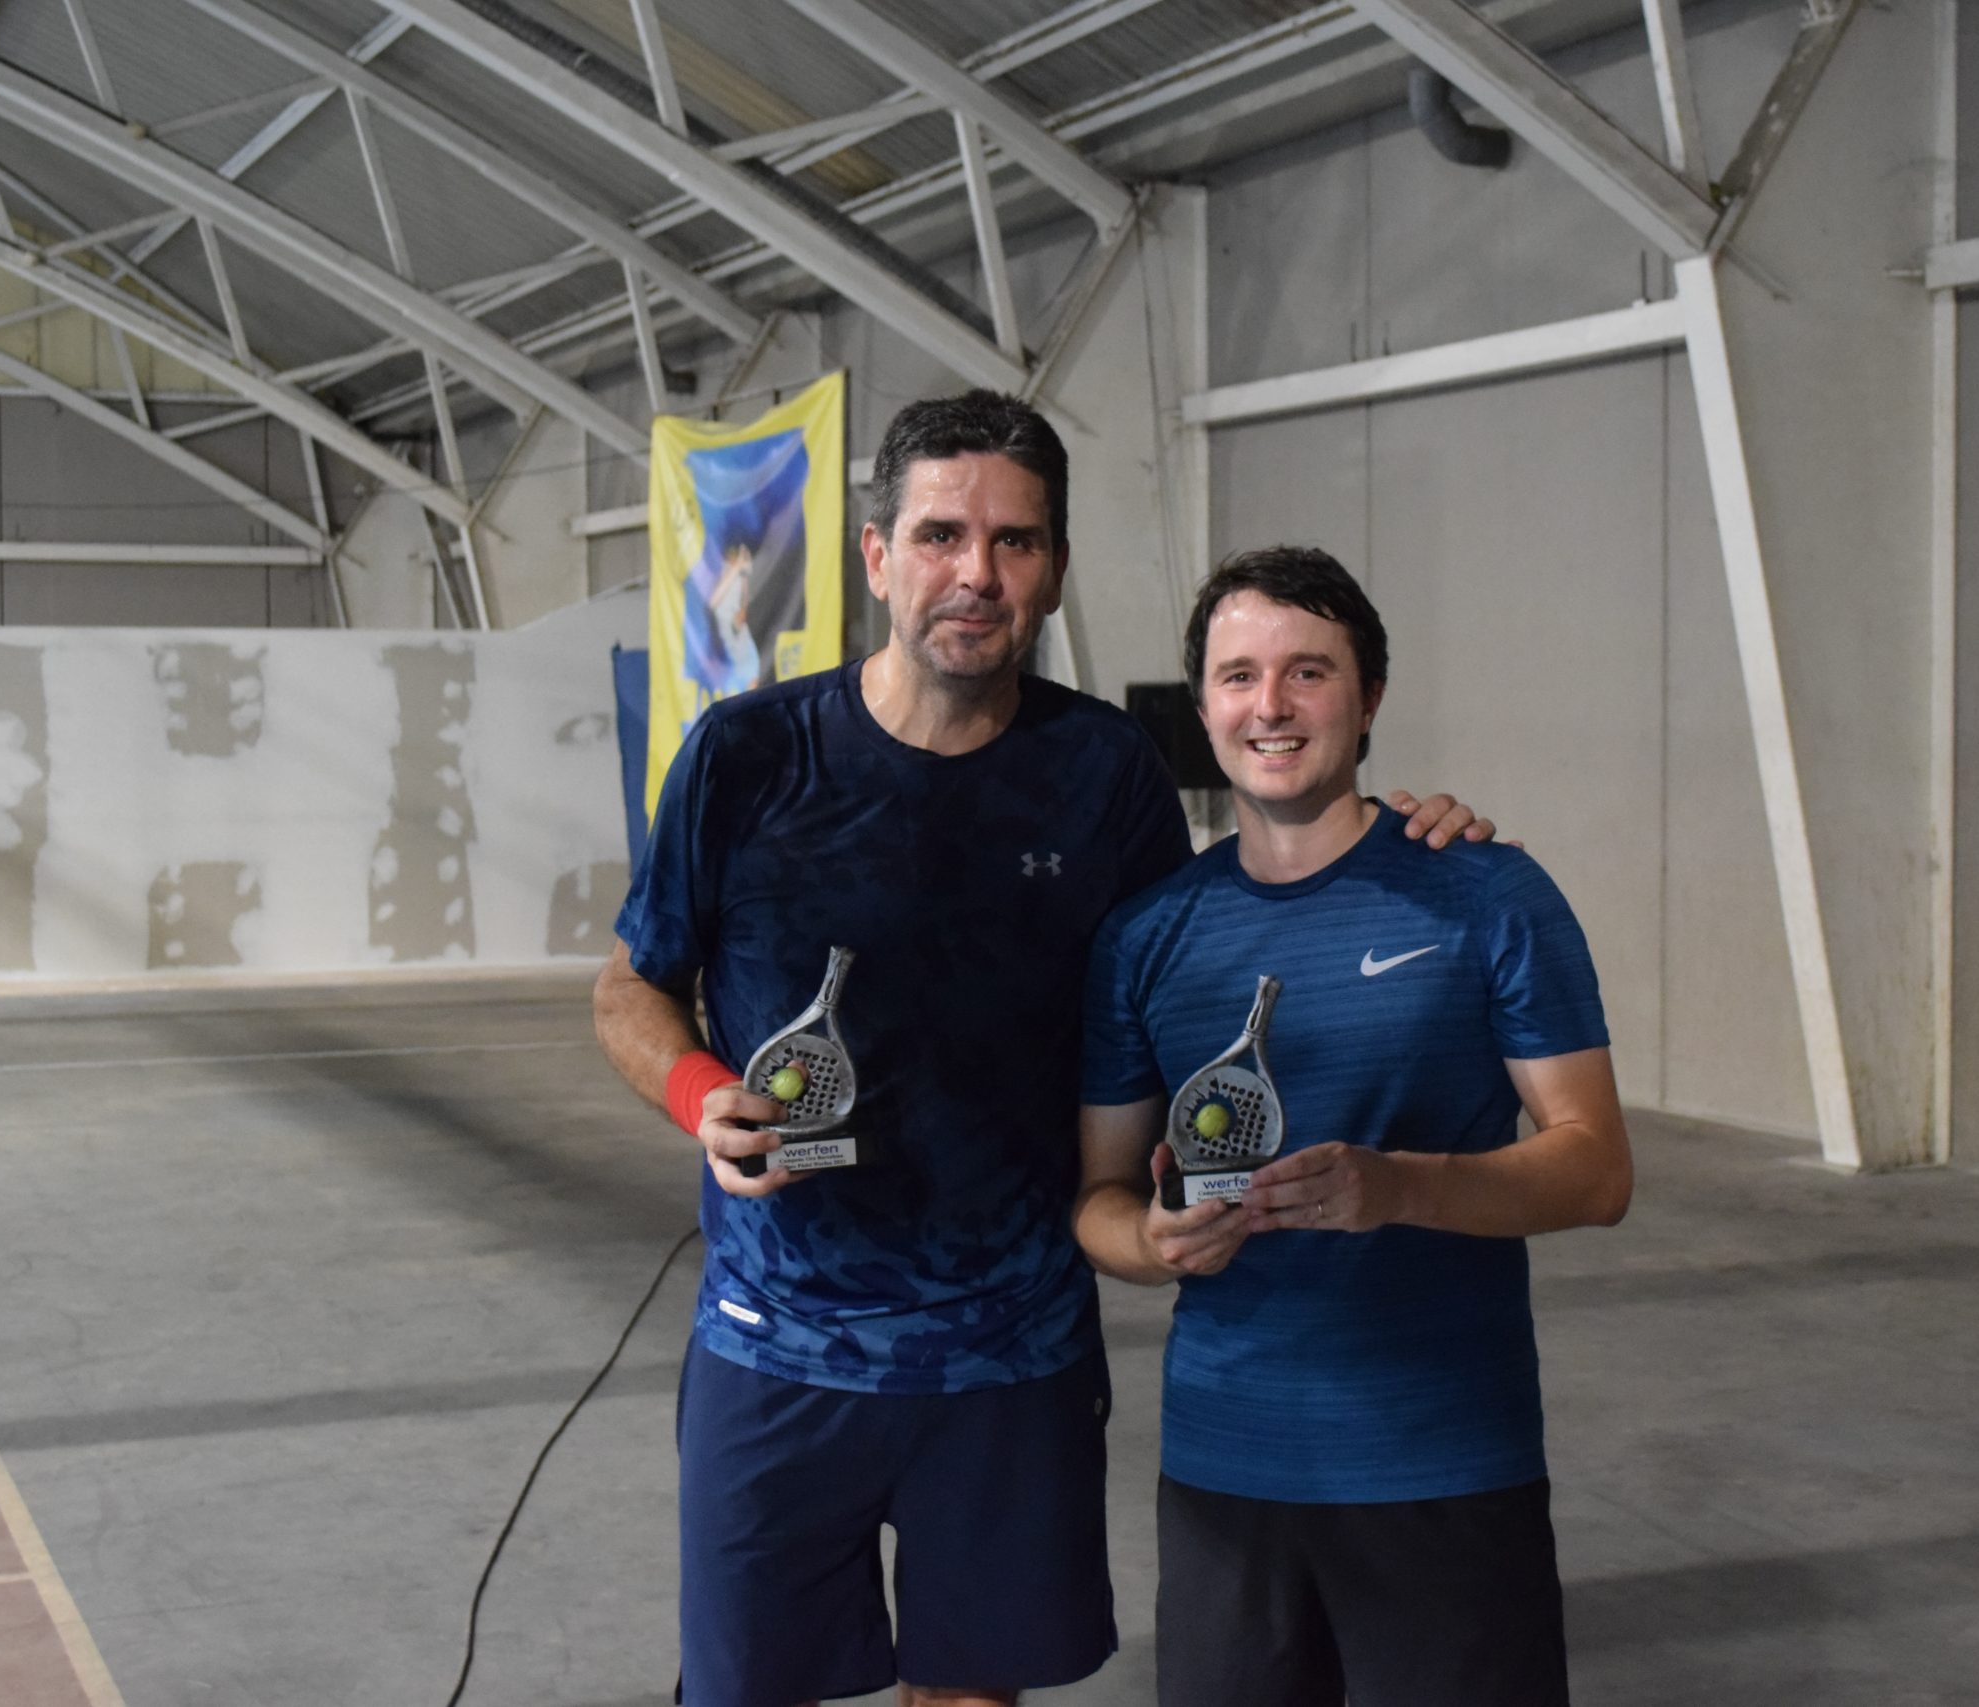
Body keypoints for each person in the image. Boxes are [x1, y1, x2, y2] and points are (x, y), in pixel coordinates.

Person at [592, 392, 1495, 1707]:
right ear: (878, 556)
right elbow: (633, 981)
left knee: (972, 1691)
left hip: (1011, 1347)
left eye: (1014, 541)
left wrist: (1388, 842)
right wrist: (701, 1093)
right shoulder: (748, 755)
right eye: (941, 535)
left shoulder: (1103, 770)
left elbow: (1198, 965)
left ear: (1056, 567)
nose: (977, 572)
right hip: (776, 1340)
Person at [1075, 546, 1633, 1707]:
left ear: (1369, 697)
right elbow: (1100, 1200)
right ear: (1203, 707)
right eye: (1237, 676)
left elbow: (1595, 1170)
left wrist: (1402, 1188)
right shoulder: (1146, 937)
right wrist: (1154, 1243)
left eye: (1308, 672)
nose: (1269, 706)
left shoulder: (1485, 893)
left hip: (1443, 1463)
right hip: (1226, 1473)